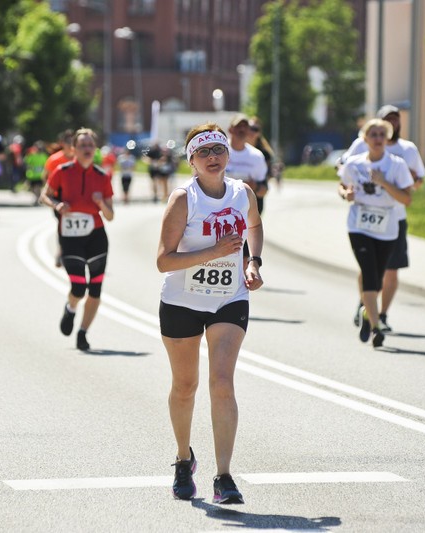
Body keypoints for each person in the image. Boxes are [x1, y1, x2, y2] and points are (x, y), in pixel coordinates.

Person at [157, 123, 264, 504]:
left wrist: (253, 263)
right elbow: (163, 261)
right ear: (192, 162)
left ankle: (224, 476)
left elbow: (254, 225)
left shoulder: (242, 192)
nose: (213, 157)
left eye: (219, 149)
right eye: (204, 152)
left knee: (223, 382)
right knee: (185, 386)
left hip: (229, 299)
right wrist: (214, 253)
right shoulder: (183, 200)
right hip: (182, 301)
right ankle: (183, 458)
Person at [340, 105, 425, 331]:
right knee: (368, 269)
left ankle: (380, 313)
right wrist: (346, 193)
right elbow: (343, 179)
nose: (379, 136)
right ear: (366, 136)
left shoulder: (405, 152)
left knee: (388, 271)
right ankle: (370, 311)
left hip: (393, 219)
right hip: (360, 222)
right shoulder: (358, 151)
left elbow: (415, 186)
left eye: (394, 120)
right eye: (385, 120)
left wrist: (402, 181)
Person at [39, 128, 114, 352]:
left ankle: (83, 332)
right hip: (70, 236)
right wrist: (57, 205)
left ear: (95, 149)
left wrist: (101, 203)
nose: (87, 149)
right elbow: (45, 195)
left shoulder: (102, 177)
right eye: (82, 145)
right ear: (74, 149)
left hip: (96, 236)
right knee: (79, 287)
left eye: (91, 145)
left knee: (96, 289)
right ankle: (71, 308)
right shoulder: (62, 171)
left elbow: (111, 215)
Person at [43, 129, 76, 267]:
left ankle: (74, 253)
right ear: (62, 144)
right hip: (59, 197)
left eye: (72, 143)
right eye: (68, 143)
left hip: (76, 196)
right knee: (62, 224)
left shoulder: (79, 158)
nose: (70, 146)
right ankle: (61, 251)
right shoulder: (54, 160)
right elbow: (46, 177)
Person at [226, 114, 268, 214]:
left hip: (247, 211)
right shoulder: (219, 150)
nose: (242, 129)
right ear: (230, 129)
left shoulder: (256, 156)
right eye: (238, 126)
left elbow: (264, 189)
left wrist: (254, 187)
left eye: (245, 127)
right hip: (222, 209)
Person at [24, 140, 48, 205]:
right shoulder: (32, 155)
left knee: (37, 187)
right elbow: (27, 162)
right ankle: (37, 198)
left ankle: (37, 199)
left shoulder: (44, 156)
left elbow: (46, 165)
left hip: (40, 175)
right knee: (32, 188)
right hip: (32, 175)